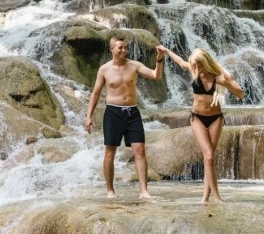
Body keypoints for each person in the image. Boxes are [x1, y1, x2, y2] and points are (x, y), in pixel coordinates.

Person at [156, 45, 245, 203]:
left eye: (200, 66)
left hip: (215, 118)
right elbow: (181, 62)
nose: (197, 69)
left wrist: (226, 82)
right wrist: (166, 51)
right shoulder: (194, 68)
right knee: (209, 155)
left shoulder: (220, 74)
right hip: (197, 117)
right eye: (195, 66)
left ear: (207, 62)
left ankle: (206, 197)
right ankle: (216, 197)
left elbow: (240, 94)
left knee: (208, 158)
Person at [85, 36, 165, 199]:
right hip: (113, 112)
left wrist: (160, 58)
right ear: (112, 49)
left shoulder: (134, 65)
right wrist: (89, 116)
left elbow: (156, 76)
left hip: (132, 112)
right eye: (120, 47)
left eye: (125, 47)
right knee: (110, 152)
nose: (124, 50)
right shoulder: (104, 69)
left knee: (139, 150)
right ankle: (110, 191)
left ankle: (143, 191)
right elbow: (95, 93)